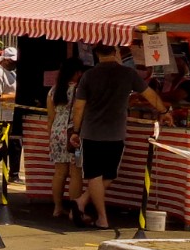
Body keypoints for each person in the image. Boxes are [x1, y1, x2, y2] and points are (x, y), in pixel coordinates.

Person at [68, 43, 173, 229]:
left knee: (95, 175)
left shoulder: (89, 75)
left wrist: (75, 130)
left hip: (91, 132)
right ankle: (101, 217)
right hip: (116, 132)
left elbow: (79, 106)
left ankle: (83, 202)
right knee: (108, 174)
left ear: (97, 54)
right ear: (116, 52)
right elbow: (149, 94)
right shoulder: (128, 74)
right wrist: (164, 110)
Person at [46, 57, 85, 218]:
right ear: (77, 73)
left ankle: (57, 207)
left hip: (56, 133)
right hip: (73, 134)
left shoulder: (54, 90)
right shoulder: (80, 90)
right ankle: (73, 211)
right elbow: (80, 112)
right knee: (75, 173)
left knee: (59, 172)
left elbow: (50, 116)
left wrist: (50, 135)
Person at [0, 46, 20, 181]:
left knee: (15, 144)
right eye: (12, 61)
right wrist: (15, 96)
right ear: (6, 60)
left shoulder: (13, 73)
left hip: (13, 113)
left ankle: (14, 173)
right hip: (3, 115)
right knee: (9, 145)